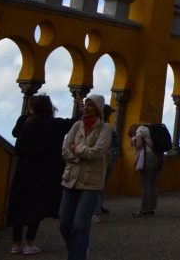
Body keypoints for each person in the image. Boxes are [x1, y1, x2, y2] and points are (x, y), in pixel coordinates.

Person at [6, 94, 72, 255]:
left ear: (31, 107)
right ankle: (29, 243)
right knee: (37, 205)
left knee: (20, 204)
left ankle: (16, 244)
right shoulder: (55, 124)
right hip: (45, 171)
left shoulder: (26, 123)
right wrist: (81, 104)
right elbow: (74, 121)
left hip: (25, 169)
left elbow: (17, 144)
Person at [59, 95, 111, 260]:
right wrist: (80, 154)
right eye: (85, 105)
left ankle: (77, 256)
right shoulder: (76, 125)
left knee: (80, 224)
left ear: (98, 108)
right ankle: (77, 249)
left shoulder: (105, 128)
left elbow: (96, 152)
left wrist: (76, 148)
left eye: (90, 105)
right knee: (64, 223)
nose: (86, 107)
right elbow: (65, 150)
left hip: (91, 182)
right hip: (71, 179)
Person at [129, 122, 161, 216]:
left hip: (149, 157)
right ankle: (151, 209)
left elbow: (139, 146)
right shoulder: (151, 128)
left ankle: (144, 210)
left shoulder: (140, 130)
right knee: (154, 184)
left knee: (145, 184)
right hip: (160, 157)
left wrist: (134, 142)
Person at [95, 104, 119, 218]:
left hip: (98, 157)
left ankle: (97, 206)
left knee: (96, 183)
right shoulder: (108, 127)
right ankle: (97, 207)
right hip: (108, 158)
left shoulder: (98, 126)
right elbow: (117, 142)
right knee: (100, 184)